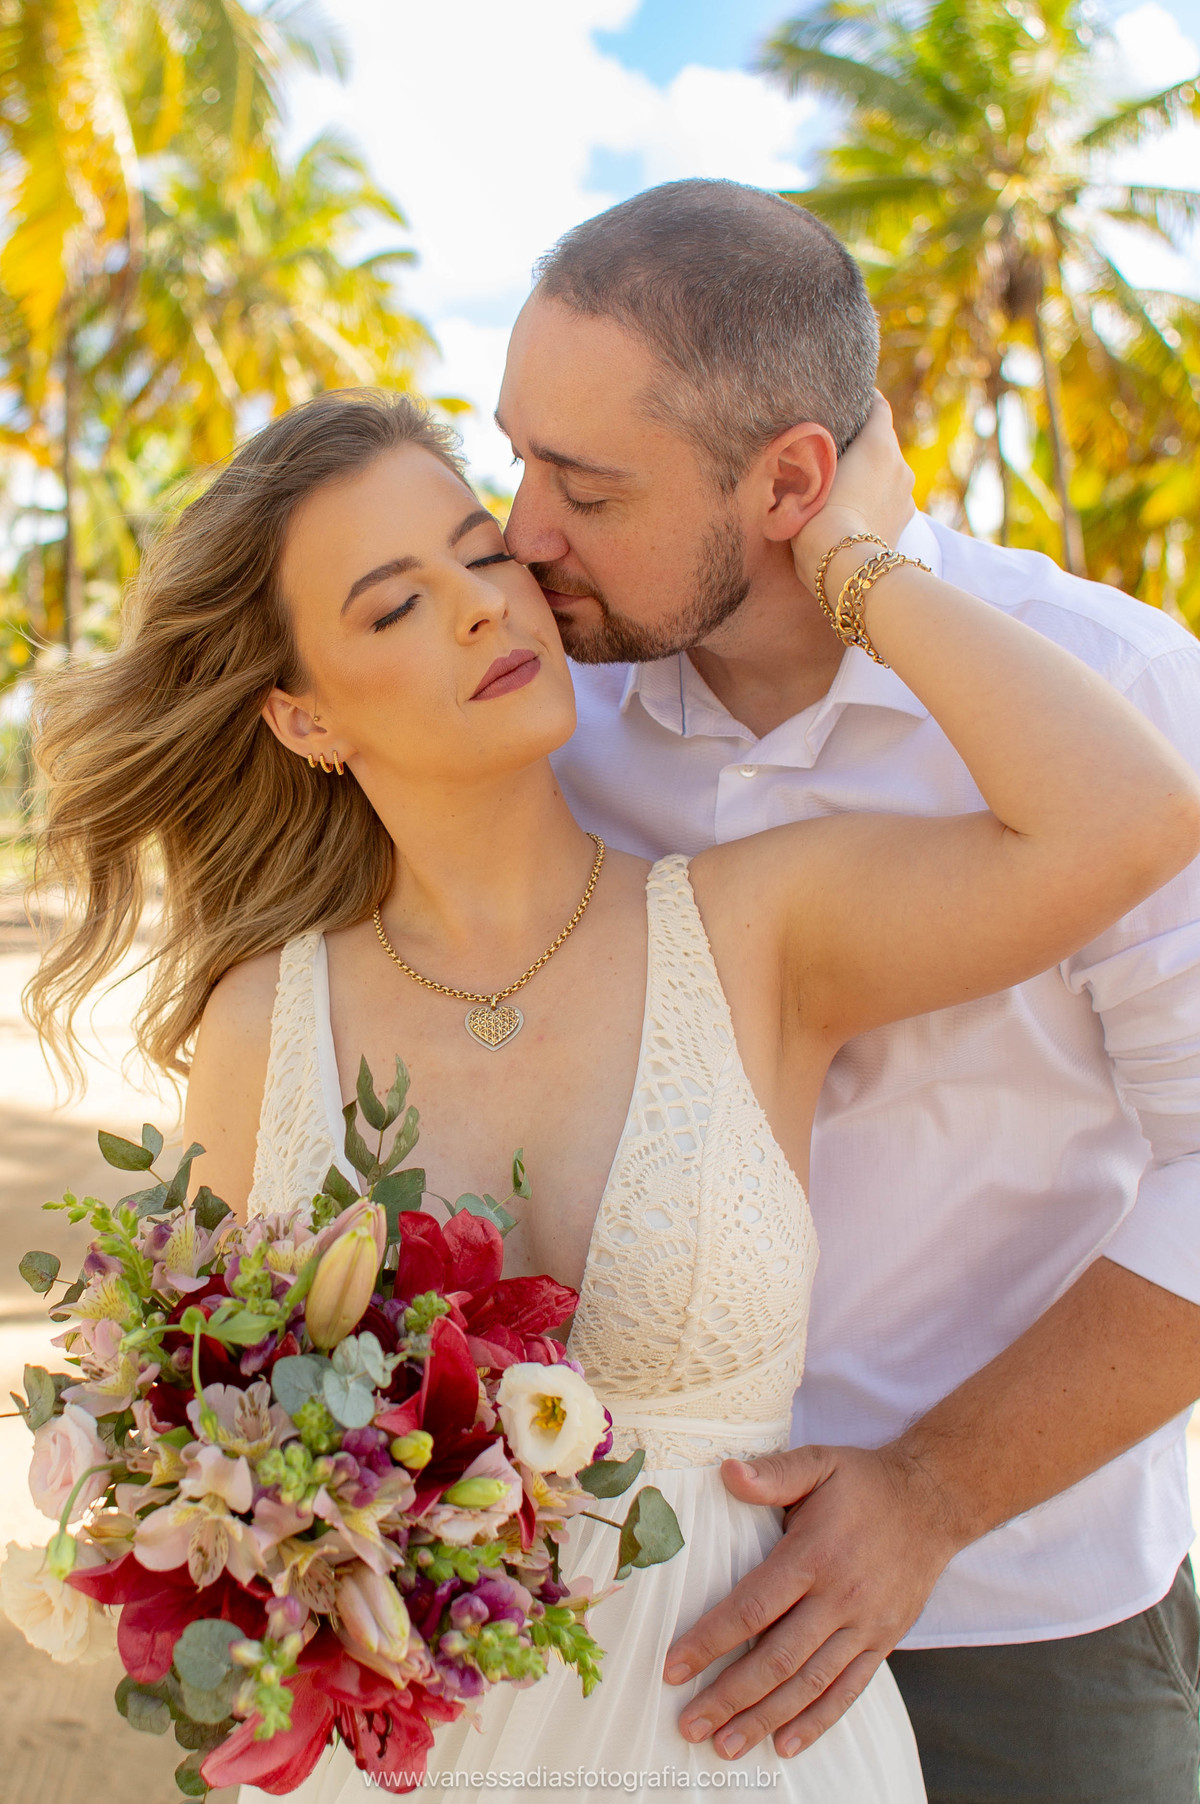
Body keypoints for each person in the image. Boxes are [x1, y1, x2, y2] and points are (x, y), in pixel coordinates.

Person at [26, 388, 1199, 1804]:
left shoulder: (757, 928)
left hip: (739, 1753)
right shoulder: (263, 1021)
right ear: (302, 712)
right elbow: (192, 1447)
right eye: (398, 607)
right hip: (413, 1767)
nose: (477, 609)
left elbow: (1131, 818)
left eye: (484, 554)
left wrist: (846, 553)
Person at [493, 177, 1200, 1803]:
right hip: (636, 1624)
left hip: (1026, 1625)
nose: (525, 530)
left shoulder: (1120, 695)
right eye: (518, 453)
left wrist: (935, 1493)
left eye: (584, 486)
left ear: (792, 483)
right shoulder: (551, 713)